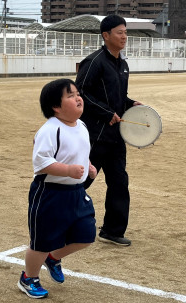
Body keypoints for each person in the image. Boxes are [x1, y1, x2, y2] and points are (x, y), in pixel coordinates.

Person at [17, 78, 97, 299]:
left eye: (77, 93)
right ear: (56, 107)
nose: (78, 97)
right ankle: (28, 278)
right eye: (70, 95)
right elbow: (41, 163)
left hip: (76, 193)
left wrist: (88, 166)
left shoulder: (81, 125)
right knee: (41, 242)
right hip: (50, 194)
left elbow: (80, 150)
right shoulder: (50, 130)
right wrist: (68, 170)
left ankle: (53, 258)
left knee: (86, 235)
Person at [76, 14, 142, 246]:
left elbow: (118, 98)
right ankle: (60, 218)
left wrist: (130, 104)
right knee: (81, 180)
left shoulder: (122, 64)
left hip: (116, 136)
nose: (124, 36)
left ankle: (112, 231)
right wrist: (106, 113)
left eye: (125, 32)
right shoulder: (94, 62)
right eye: (120, 32)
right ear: (106, 36)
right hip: (95, 135)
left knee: (119, 182)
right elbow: (81, 93)